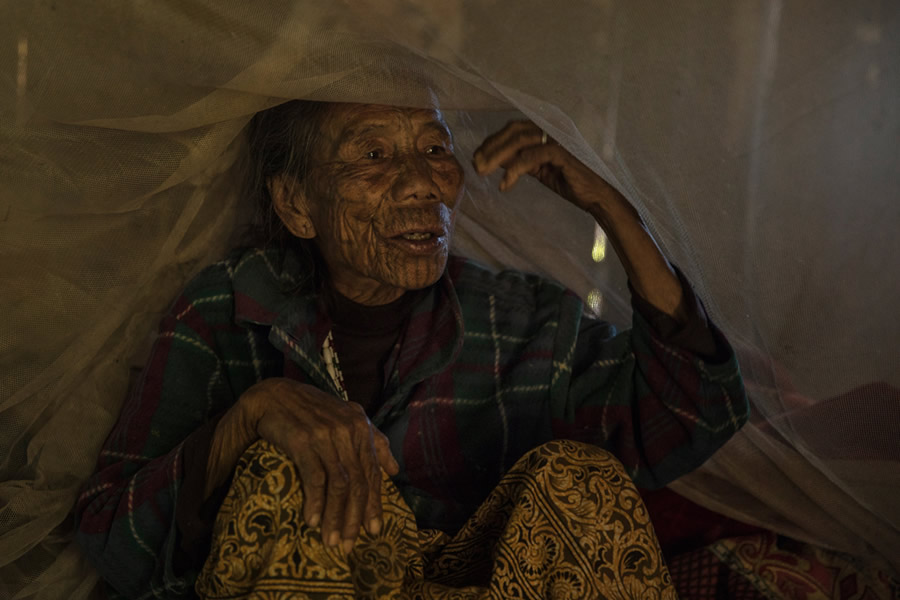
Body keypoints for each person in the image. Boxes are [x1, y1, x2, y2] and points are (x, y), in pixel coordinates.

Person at [74, 100, 748, 599]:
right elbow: (111, 536)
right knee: (281, 473)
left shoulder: (522, 320)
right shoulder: (226, 311)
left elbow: (692, 416)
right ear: (295, 204)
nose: (422, 183)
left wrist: (610, 209)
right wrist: (251, 415)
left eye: (433, 150)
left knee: (583, 480)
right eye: (373, 156)